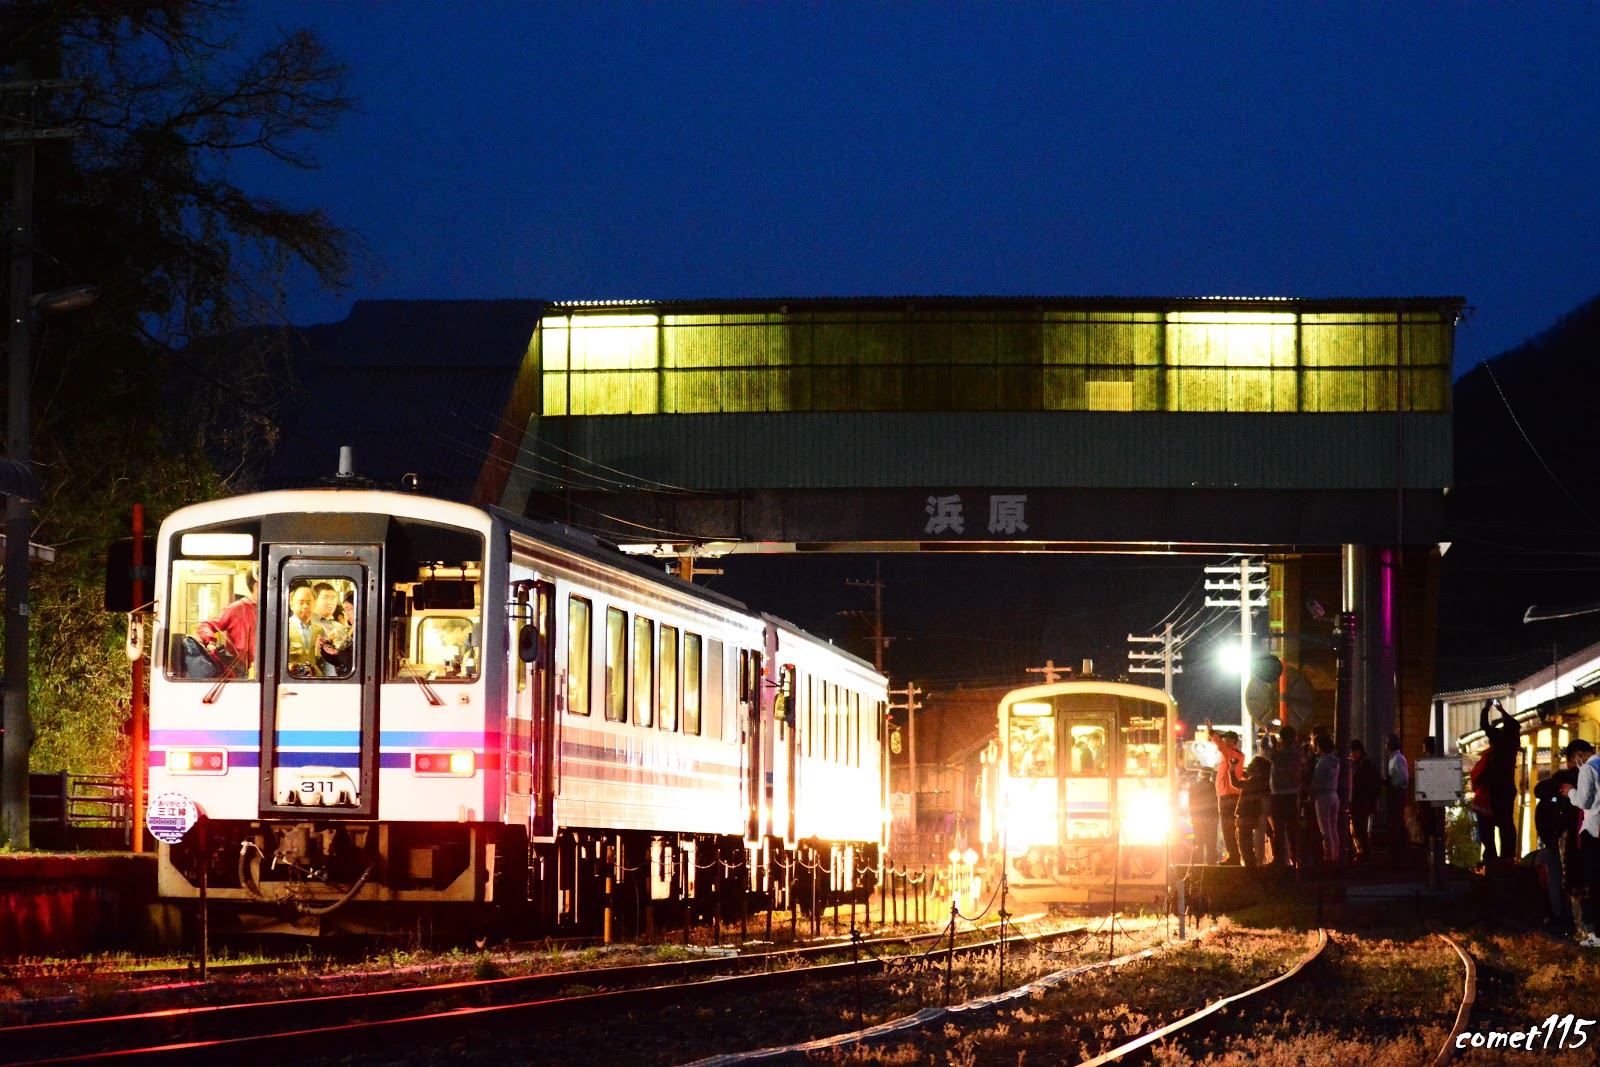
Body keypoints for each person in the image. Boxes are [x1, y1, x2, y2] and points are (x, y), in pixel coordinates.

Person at [1533, 742, 1583, 930]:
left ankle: (1560, 916)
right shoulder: (1580, 783)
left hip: (1559, 842)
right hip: (1573, 840)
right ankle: (1573, 918)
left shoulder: (1549, 799)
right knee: (1574, 880)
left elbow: (1540, 792)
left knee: (1558, 879)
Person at [1561, 739, 1600, 947]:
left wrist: (1570, 793)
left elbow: (1584, 801)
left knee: (1595, 883)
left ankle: (1599, 935)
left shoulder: (1588, 769)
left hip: (1592, 831)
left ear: (1578, 754)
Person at [1479, 700, 1520, 869]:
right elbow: (1513, 724)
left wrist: (1488, 707)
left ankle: (1491, 855)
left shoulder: (1498, 741)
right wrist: (1502, 710)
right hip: (1507, 788)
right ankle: (1507, 856)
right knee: (1506, 823)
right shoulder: (1512, 744)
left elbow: (1484, 725)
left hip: (1493, 789)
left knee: (1487, 822)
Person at [195, 571, 258, 677]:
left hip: (264, 670)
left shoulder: (272, 610)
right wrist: (210, 641)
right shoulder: (237, 608)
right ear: (257, 585)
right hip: (241, 672)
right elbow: (205, 626)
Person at [1268, 726, 1304, 868]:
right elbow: (1300, 750)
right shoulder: (1297, 753)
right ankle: (1296, 858)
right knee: (1292, 829)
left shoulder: (1277, 754)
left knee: (1278, 829)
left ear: (1281, 738)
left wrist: (1269, 737)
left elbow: (1266, 750)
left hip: (1278, 794)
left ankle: (1279, 860)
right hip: (1293, 794)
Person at [285, 583, 333, 678]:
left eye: (309, 602)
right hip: (291, 680)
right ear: (291, 605)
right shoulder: (284, 628)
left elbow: (326, 662)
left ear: (314, 604)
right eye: (301, 602)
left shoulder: (319, 630)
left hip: (314, 680)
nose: (305, 606)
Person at [1213, 730, 1246, 865]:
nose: (1224, 743)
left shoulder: (1232, 754)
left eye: (1226, 741)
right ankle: (1234, 855)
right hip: (1227, 793)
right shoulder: (1232, 754)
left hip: (1228, 794)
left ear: (1233, 742)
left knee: (1228, 827)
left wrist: (1212, 734)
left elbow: (1221, 747)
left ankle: (1234, 856)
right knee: (1229, 828)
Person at [1309, 734, 1342, 866]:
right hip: (1334, 795)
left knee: (1325, 828)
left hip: (1323, 796)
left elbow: (1317, 781)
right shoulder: (1335, 761)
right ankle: (1336, 854)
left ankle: (1329, 856)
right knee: (1333, 827)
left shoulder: (1322, 762)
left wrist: (1311, 793)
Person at [1236, 754, 1272, 866]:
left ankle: (1253, 863)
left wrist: (1232, 769)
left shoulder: (1254, 781)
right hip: (1257, 810)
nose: (1249, 765)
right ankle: (1258, 861)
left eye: (1252, 764)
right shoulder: (1262, 781)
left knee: (1248, 839)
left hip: (1249, 812)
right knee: (1259, 837)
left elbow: (1236, 783)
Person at [1348, 738, 1379, 861]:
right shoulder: (1364, 764)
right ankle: (1364, 851)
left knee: (1360, 827)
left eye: (1352, 753)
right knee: (1359, 827)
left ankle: (1365, 852)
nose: (1351, 756)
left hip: (1361, 802)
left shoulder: (1364, 765)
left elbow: (1367, 784)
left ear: (1358, 751)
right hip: (1362, 801)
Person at [1382, 734, 1411, 852]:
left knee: (1396, 819)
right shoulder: (1394, 758)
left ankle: (1400, 846)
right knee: (1395, 819)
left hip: (1397, 793)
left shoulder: (1397, 759)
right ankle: (1398, 845)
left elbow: (1403, 778)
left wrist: (1391, 783)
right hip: (1396, 792)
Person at [1189, 767, 1219, 864]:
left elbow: (1191, 803)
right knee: (1211, 844)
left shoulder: (1193, 786)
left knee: (1199, 843)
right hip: (1212, 819)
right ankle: (1211, 866)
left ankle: (1198, 866)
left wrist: (1192, 817)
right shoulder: (1214, 786)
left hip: (1197, 818)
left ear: (1200, 774)